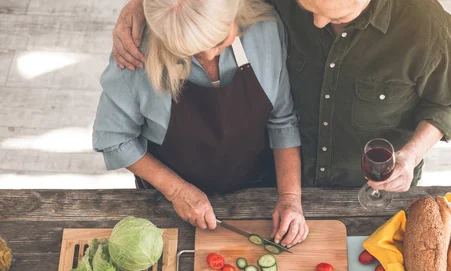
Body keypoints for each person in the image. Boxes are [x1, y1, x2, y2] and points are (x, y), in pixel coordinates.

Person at [111, 0, 451, 193]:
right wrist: (144, 5)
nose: (316, 23)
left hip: (371, 190)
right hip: (280, 181)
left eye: (331, 14)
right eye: (308, 9)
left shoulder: (426, 27)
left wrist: (411, 155)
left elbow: (448, 100)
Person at [94, 0, 308, 247]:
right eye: (188, 50)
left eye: (218, 41)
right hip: (169, 207)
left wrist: (290, 198)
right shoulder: (135, 55)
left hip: (259, 195)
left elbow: (282, 121)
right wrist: (177, 191)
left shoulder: (265, 30)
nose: (208, 55)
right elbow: (114, 139)